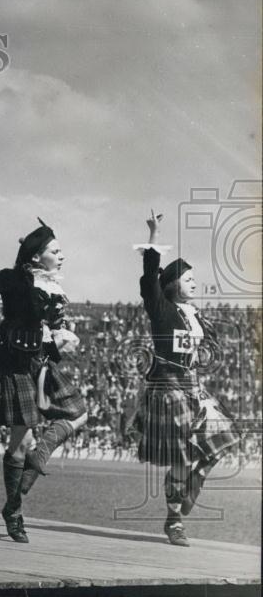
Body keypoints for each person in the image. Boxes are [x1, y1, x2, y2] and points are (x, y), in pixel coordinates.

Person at [0, 218, 87, 543]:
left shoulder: (56, 288)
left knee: (79, 414)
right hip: (15, 364)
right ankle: (15, 511)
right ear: (36, 257)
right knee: (21, 442)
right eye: (55, 250)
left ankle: (23, 485)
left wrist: (60, 339)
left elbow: (53, 329)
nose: (62, 255)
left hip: (42, 364)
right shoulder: (14, 279)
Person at [134, 211, 240, 547]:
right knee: (180, 457)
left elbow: (207, 350)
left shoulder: (195, 315)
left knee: (226, 439)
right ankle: (174, 520)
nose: (194, 282)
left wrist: (205, 354)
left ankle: (196, 478)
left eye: (194, 278)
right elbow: (149, 276)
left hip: (194, 387)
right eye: (188, 278)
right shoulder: (161, 308)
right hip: (168, 390)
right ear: (170, 285)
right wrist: (154, 236)